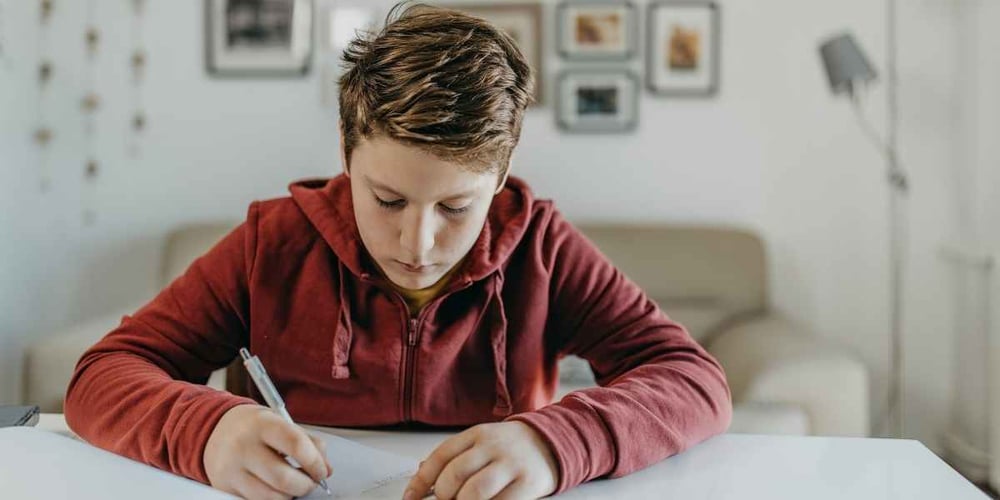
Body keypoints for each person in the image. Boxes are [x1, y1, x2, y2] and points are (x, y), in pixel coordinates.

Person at [64, 3, 732, 499]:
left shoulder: (544, 249)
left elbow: (694, 380)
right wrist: (205, 432)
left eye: (455, 208)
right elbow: (103, 375)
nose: (417, 245)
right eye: (386, 200)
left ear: (500, 178)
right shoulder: (272, 244)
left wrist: (555, 443)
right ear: (345, 153)